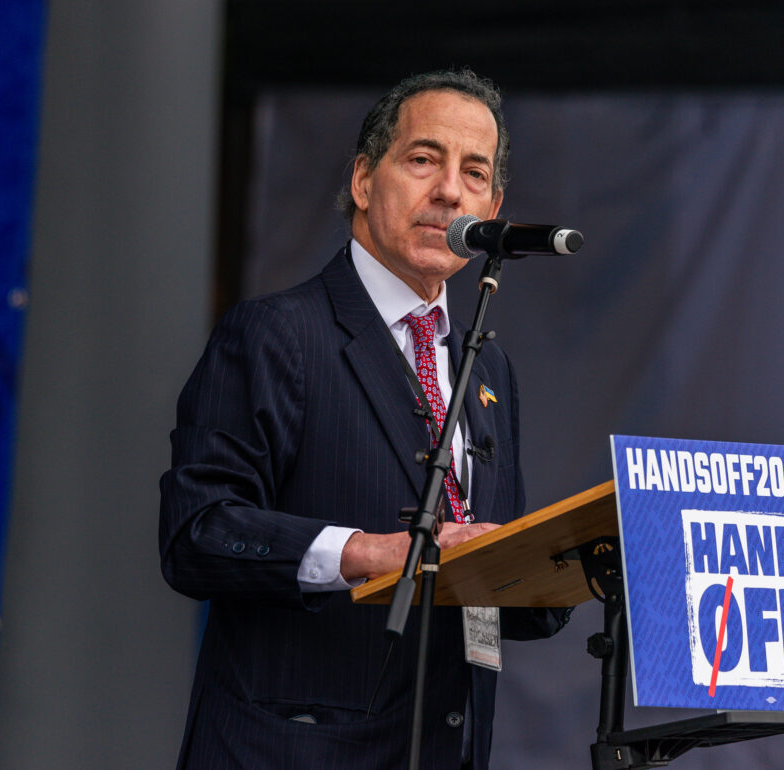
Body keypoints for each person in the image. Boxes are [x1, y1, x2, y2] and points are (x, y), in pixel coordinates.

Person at [159, 68, 568, 770]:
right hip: (291, 751)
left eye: (474, 174)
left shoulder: (486, 368)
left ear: (494, 206)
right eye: (422, 160)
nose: (449, 191)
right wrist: (366, 553)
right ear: (362, 180)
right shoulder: (274, 334)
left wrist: (564, 567)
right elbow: (198, 531)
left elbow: (490, 587)